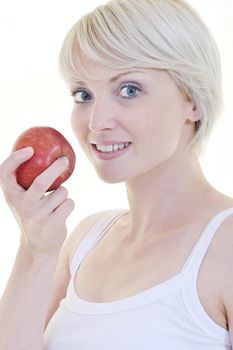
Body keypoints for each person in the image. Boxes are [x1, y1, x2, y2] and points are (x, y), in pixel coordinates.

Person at [0, 0, 233, 349]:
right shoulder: (84, 241)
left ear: (193, 100)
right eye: (84, 94)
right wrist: (35, 249)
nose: (96, 123)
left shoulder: (225, 247)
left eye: (129, 90)